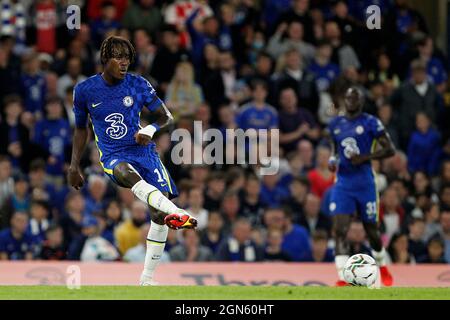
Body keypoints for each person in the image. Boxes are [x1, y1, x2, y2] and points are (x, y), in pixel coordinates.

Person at [68, 36, 197, 286]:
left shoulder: (138, 84)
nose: (124, 63)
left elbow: (165, 116)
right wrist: (74, 165)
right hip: (113, 153)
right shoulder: (84, 90)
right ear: (105, 59)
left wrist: (149, 130)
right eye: (118, 57)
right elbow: (81, 129)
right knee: (127, 174)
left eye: (127, 58)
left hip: (144, 152)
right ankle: (180, 213)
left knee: (158, 214)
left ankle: (147, 279)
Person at [327, 87, 396, 286]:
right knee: (339, 229)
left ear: (361, 101)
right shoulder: (336, 124)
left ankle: (382, 266)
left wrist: (366, 157)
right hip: (343, 183)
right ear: (344, 100)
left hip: (365, 183)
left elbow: (389, 149)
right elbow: (334, 148)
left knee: (371, 229)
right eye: (348, 98)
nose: (350, 101)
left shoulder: (370, 122)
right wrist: (332, 160)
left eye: (354, 98)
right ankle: (342, 278)